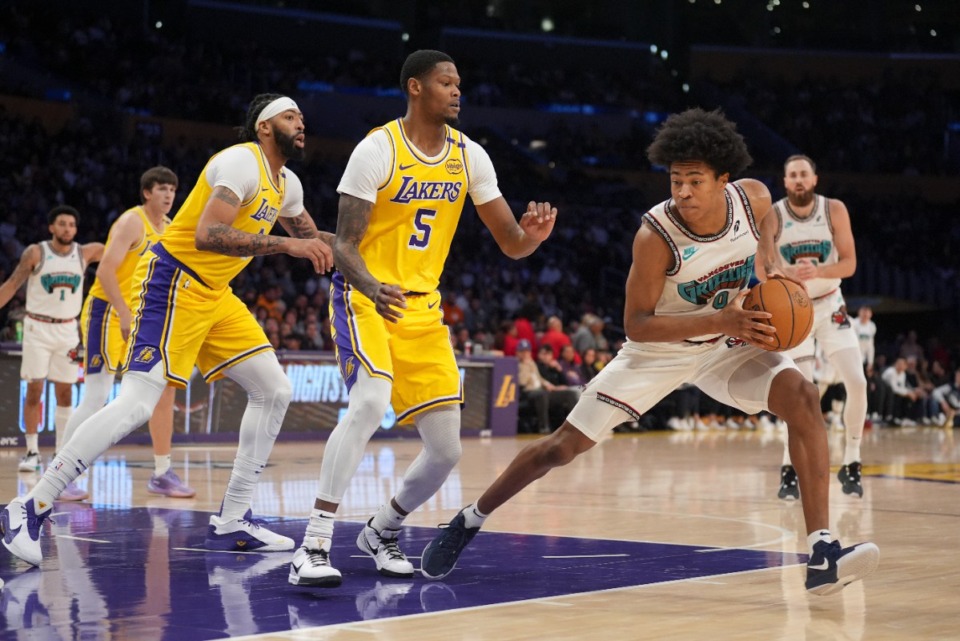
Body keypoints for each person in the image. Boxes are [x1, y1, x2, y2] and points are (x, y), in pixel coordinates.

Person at [419, 108, 878, 596]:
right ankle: (470, 519)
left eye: (694, 181)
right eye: (675, 180)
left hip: (725, 341)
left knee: (803, 397)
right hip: (659, 350)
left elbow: (762, 246)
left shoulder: (756, 200)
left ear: (724, 179)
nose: (681, 192)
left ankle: (823, 551)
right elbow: (636, 325)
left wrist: (767, 277)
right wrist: (723, 319)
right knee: (560, 448)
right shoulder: (656, 236)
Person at [1, 93, 335, 567]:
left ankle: (235, 514)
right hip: (172, 282)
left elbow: (314, 239)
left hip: (216, 296)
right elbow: (206, 234)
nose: (301, 122)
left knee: (275, 390)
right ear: (264, 127)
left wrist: (375, 263)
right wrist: (287, 246)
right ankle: (30, 505)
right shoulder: (240, 162)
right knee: (136, 403)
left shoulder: (288, 184)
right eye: (289, 115)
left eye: (301, 116)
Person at [287, 49, 556, 589]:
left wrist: (533, 237)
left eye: (459, 83)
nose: (457, 91)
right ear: (415, 87)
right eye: (445, 82)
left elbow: (510, 243)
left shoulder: (470, 155)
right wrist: (369, 286)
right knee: (368, 401)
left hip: (421, 308)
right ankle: (313, 544)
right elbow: (344, 244)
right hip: (364, 294)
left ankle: (381, 529)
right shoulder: (376, 149)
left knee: (446, 451)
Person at [65, 167, 195, 500]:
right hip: (107, 311)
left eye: (173, 190)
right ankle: (62, 472)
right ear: (147, 192)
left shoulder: (169, 228)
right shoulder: (131, 222)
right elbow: (106, 271)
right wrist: (124, 313)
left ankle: (162, 472)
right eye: (162, 189)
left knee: (161, 391)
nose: (169, 195)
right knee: (97, 394)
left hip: (141, 318)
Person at [756, 154, 868, 500]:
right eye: (793, 175)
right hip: (797, 313)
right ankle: (789, 467)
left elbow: (849, 264)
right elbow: (763, 271)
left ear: (815, 179)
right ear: (785, 182)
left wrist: (818, 272)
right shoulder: (772, 215)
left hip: (831, 304)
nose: (799, 180)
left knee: (858, 382)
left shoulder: (834, 209)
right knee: (802, 395)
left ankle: (852, 459)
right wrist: (785, 274)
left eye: (804, 173)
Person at [0, 206, 103, 476]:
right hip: (37, 328)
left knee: (65, 392)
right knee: (34, 390)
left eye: (71, 224)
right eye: (62, 224)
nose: (67, 228)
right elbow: (12, 284)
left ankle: (61, 453)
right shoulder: (36, 252)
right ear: (51, 228)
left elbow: (122, 250)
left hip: (68, 330)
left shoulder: (85, 252)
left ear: (76, 230)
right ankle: (32, 452)